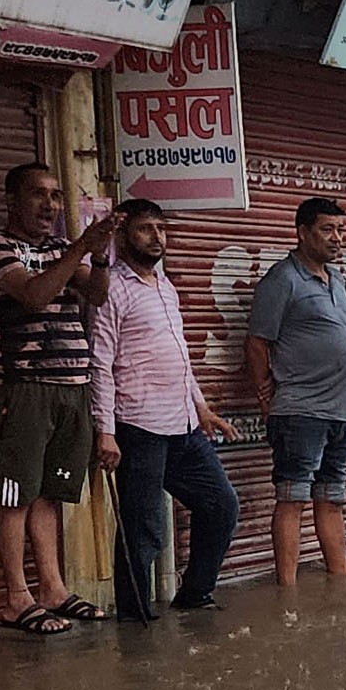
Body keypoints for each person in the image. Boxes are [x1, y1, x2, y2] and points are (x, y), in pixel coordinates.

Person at [0, 163, 116, 636]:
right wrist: (79, 248)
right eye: (38, 195)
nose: (50, 206)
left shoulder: (57, 249)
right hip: (25, 386)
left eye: (55, 197)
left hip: (71, 387)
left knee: (51, 493)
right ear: (12, 199)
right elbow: (34, 295)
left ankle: (53, 589)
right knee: (16, 493)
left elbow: (94, 294)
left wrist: (101, 255)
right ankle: (17, 598)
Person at [90, 198, 238, 617]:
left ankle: (195, 593)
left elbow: (180, 355)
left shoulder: (164, 285)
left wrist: (202, 406)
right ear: (123, 235)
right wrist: (105, 430)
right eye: (144, 229)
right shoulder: (111, 290)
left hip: (184, 424)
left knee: (221, 506)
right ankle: (135, 622)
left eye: (160, 228)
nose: (156, 237)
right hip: (138, 424)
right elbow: (100, 362)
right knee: (143, 529)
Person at [244, 194, 346, 584]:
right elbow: (258, 342)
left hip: (339, 412)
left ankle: (339, 581)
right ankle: (287, 591)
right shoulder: (283, 280)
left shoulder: (337, 280)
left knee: (331, 500)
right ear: (302, 233)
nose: (337, 238)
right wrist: (265, 397)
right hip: (300, 410)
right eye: (327, 229)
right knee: (292, 498)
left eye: (340, 230)